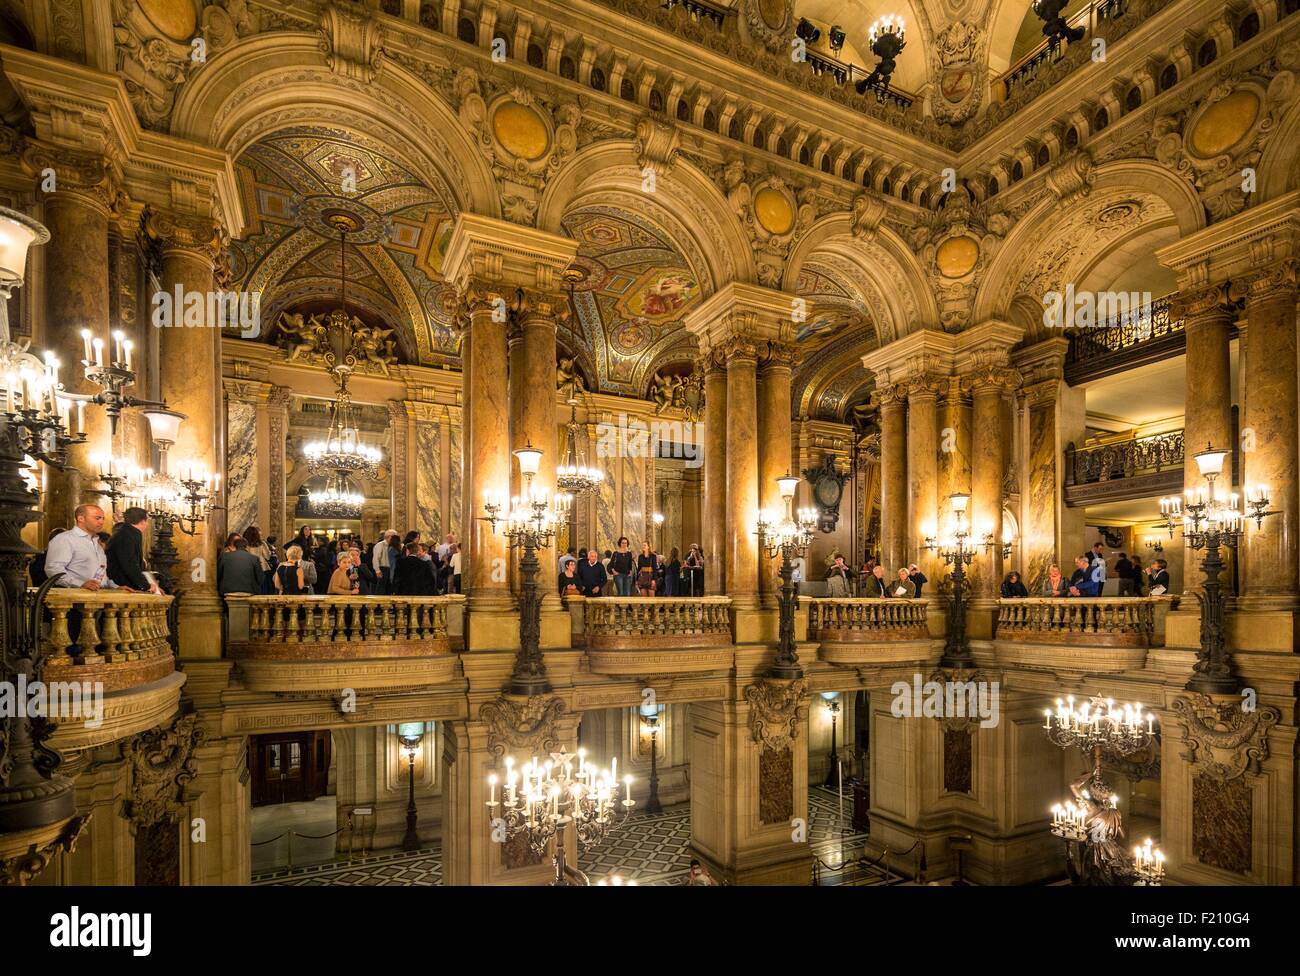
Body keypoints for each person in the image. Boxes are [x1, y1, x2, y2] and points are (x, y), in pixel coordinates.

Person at [45, 504, 118, 590]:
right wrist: (80, 584)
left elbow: (100, 574)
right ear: (81, 518)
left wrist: (115, 587)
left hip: (98, 595)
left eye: (103, 518)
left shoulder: (96, 542)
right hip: (75, 595)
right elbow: (53, 569)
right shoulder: (65, 539)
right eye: (97, 518)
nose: (102, 522)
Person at [106, 506, 157, 593]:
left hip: (122, 583)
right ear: (142, 521)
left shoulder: (126, 532)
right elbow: (129, 563)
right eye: (147, 521)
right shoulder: (127, 535)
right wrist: (145, 585)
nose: (147, 524)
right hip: (122, 585)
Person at [372, 529, 397, 594]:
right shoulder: (380, 545)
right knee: (381, 589)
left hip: (393, 569)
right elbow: (375, 558)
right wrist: (377, 570)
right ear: (389, 537)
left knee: (390, 588)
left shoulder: (395, 545)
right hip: (383, 569)